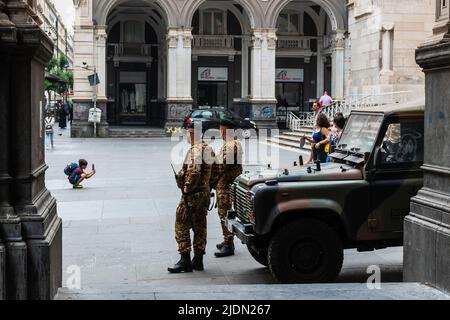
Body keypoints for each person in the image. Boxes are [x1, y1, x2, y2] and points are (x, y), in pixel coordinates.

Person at [168, 124, 215, 273]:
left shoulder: (195, 150)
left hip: (193, 195)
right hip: (205, 193)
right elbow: (216, 170)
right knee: (200, 225)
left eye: (188, 133)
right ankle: (198, 260)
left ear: (194, 133)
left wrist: (187, 188)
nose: (187, 136)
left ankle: (185, 259)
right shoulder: (208, 149)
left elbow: (194, 171)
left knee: (181, 223)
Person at [212, 119, 243, 258]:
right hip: (226, 184)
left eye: (221, 130)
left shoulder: (231, 145)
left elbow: (222, 165)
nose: (220, 132)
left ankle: (228, 244)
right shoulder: (232, 144)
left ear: (225, 130)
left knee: (224, 216)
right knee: (224, 215)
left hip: (226, 186)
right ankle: (227, 240)